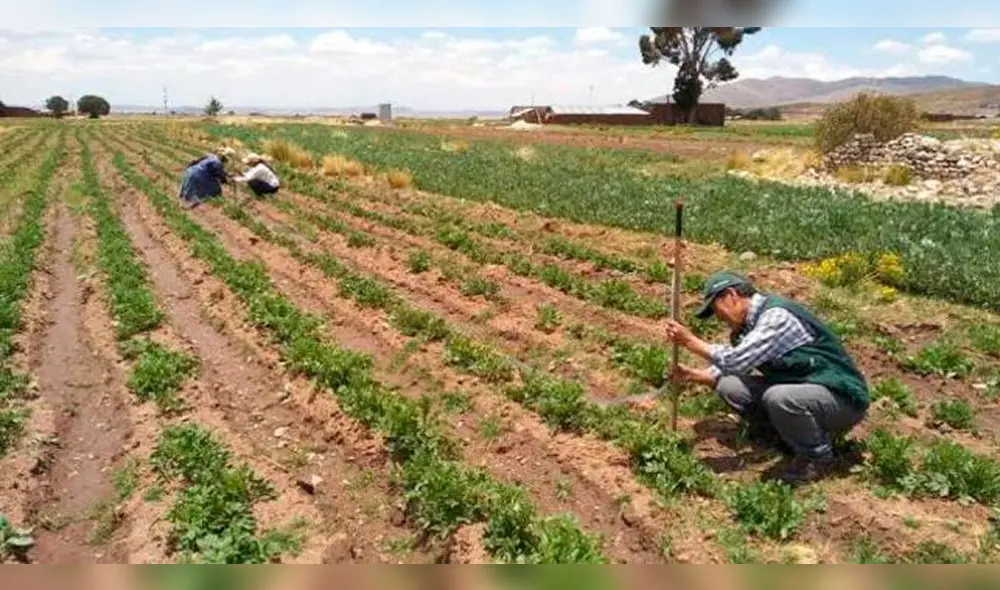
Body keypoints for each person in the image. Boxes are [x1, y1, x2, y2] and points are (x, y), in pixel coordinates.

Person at [663, 270, 870, 484]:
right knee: (729, 386)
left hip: (841, 399)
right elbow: (733, 367)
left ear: (732, 295)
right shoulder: (745, 330)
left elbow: (736, 360)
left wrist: (690, 342)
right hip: (803, 392)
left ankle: (817, 458)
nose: (719, 317)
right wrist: (695, 375)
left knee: (779, 397)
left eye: (716, 309)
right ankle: (784, 438)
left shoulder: (776, 316)